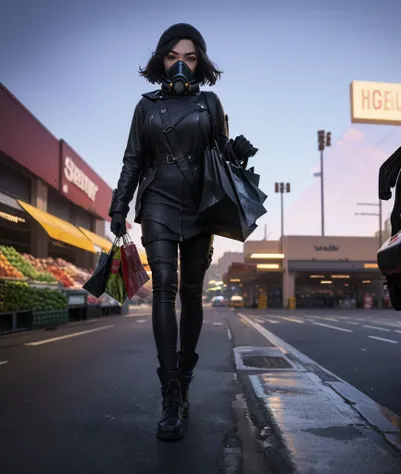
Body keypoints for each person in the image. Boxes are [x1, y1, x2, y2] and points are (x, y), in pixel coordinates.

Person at [108, 23, 257, 441]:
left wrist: (237, 151)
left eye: (190, 58)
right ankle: (170, 394)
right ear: (161, 60)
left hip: (200, 205)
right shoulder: (145, 107)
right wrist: (119, 205)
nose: (181, 65)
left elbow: (221, 154)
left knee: (192, 292)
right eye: (174, 56)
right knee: (164, 288)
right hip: (156, 201)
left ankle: (185, 377)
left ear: (200, 63)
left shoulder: (210, 102)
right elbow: (132, 160)